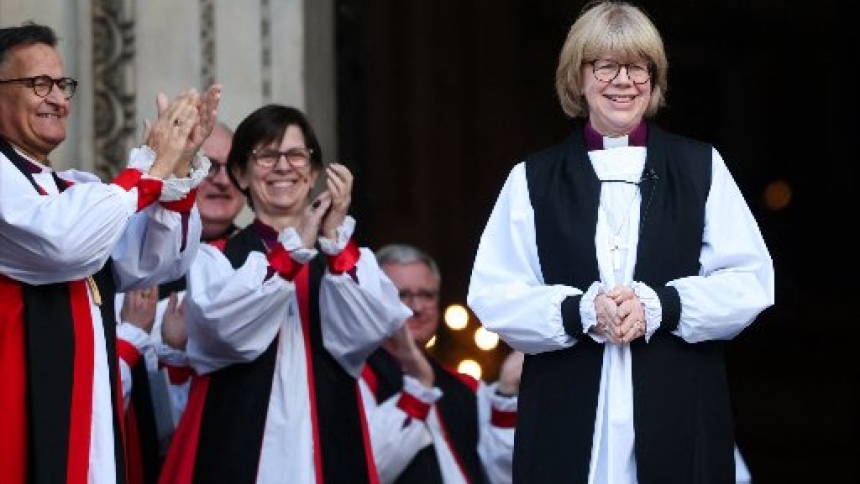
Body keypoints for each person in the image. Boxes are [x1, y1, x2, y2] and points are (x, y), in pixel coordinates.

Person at [465, 2, 775, 483]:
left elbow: (750, 281)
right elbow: (494, 293)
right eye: (606, 65)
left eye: (637, 66)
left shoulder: (700, 168)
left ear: (654, 77)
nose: (623, 80)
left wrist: (661, 306)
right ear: (578, 77)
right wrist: (582, 311)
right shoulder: (533, 179)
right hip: (566, 409)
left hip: (678, 404)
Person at [0, 20, 221, 484]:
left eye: (63, 85)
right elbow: (64, 242)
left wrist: (174, 172)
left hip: (89, 411)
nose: (59, 99)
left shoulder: (73, 189)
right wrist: (150, 166)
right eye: (39, 84)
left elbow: (151, 262)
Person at [157, 103, 410, 484]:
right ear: (241, 173)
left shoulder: (345, 257)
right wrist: (290, 256)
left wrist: (336, 244)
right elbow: (227, 334)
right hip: (236, 445)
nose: (282, 166)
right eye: (266, 156)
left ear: (313, 173)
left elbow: (366, 332)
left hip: (327, 444)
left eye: (296, 155)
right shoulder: (216, 259)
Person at [115, 121, 244, 483]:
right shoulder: (134, 253)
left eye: (232, 168)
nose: (222, 180)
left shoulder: (258, 260)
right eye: (208, 166)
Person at [361, 243, 519, 484]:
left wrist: (507, 390)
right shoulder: (355, 378)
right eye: (401, 295)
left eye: (427, 295)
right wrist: (419, 391)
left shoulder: (465, 387)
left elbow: (504, 475)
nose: (416, 308)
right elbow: (366, 469)